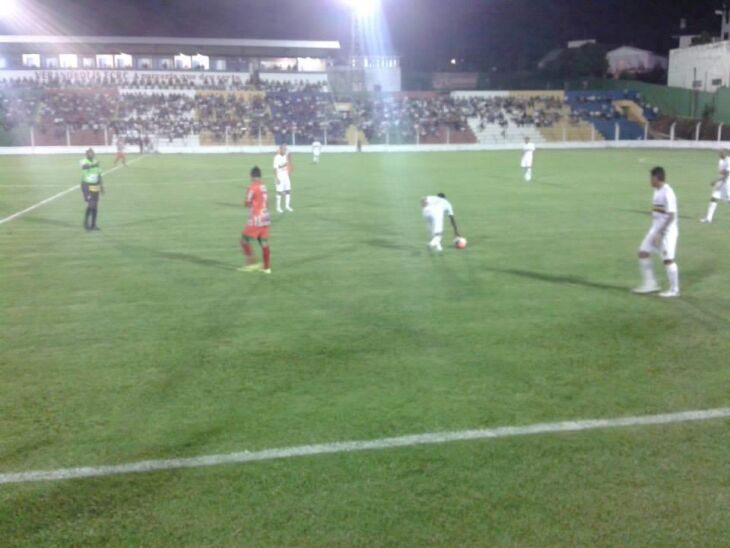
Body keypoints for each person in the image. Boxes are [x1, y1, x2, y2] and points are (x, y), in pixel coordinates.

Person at [633, 167, 680, 298]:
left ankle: (674, 289)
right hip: (655, 230)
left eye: (650, 178)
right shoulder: (657, 190)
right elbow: (660, 210)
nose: (649, 181)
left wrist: (660, 233)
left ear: (656, 178)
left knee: (668, 260)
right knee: (643, 252)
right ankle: (650, 284)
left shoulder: (668, 192)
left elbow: (671, 215)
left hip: (666, 232)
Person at [238, 166, 272, 274]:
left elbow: (247, 203)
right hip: (266, 217)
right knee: (264, 242)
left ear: (251, 176)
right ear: (260, 176)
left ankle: (252, 264)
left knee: (244, 240)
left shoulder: (252, 187)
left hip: (256, 218)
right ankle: (267, 268)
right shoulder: (264, 186)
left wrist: (247, 204)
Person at [700, 149, 730, 223]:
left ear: (725, 153)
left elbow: (726, 175)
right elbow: (721, 172)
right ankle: (708, 219)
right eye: (719, 152)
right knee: (713, 198)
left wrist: (715, 181)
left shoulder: (728, 161)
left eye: (721, 152)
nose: (719, 154)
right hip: (720, 183)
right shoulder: (720, 161)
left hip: (726, 184)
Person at [80, 148, 104, 231]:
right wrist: (95, 165)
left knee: (95, 205)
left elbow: (99, 175)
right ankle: (86, 223)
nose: (92, 154)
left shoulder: (95, 162)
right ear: (86, 154)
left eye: (93, 153)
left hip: (95, 185)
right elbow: (84, 167)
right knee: (91, 204)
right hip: (86, 185)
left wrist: (102, 186)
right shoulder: (83, 161)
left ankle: (93, 225)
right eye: (90, 153)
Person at [273, 144, 293, 213]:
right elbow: (275, 168)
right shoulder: (276, 157)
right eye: (283, 149)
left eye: (285, 149)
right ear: (280, 150)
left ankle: (287, 206)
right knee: (279, 192)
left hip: (285, 176)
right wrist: (276, 178)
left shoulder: (285, 156)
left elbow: (290, 158)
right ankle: (278, 207)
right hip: (280, 176)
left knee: (288, 190)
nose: (285, 150)